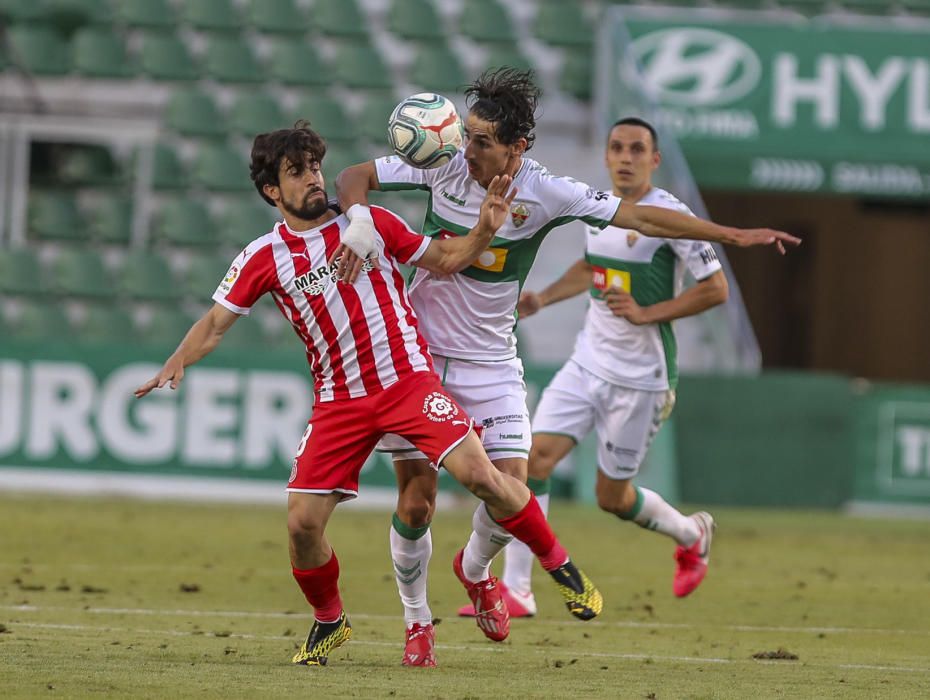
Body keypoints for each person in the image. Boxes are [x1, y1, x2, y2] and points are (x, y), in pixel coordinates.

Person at [334, 68, 799, 644]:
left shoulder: (546, 191)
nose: (468, 149)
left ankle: (475, 573)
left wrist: (732, 235)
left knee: (513, 494)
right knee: (418, 500)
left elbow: (643, 216)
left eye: (483, 141)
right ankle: (416, 623)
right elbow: (354, 175)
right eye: (468, 135)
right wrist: (357, 218)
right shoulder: (443, 162)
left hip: (490, 361)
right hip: (419, 357)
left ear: (517, 147)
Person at [132, 122, 603, 669]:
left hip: (407, 381)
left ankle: (560, 566)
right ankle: (330, 620)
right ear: (271, 191)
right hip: (340, 402)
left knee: (482, 478)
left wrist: (483, 230)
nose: (313, 179)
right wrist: (177, 358)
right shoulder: (264, 256)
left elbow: (446, 259)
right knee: (302, 524)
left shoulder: (371, 222)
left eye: (314, 167)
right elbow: (216, 322)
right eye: (296, 172)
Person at [467, 117, 728, 620]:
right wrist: (544, 296)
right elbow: (590, 267)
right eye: (616, 148)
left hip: (642, 378)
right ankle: (519, 587)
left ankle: (692, 534)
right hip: (586, 362)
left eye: (637, 150)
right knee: (534, 459)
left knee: (611, 496)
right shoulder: (598, 210)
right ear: (606, 157)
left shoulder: (671, 215)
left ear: (654, 160)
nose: (625, 158)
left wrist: (647, 312)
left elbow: (715, 288)